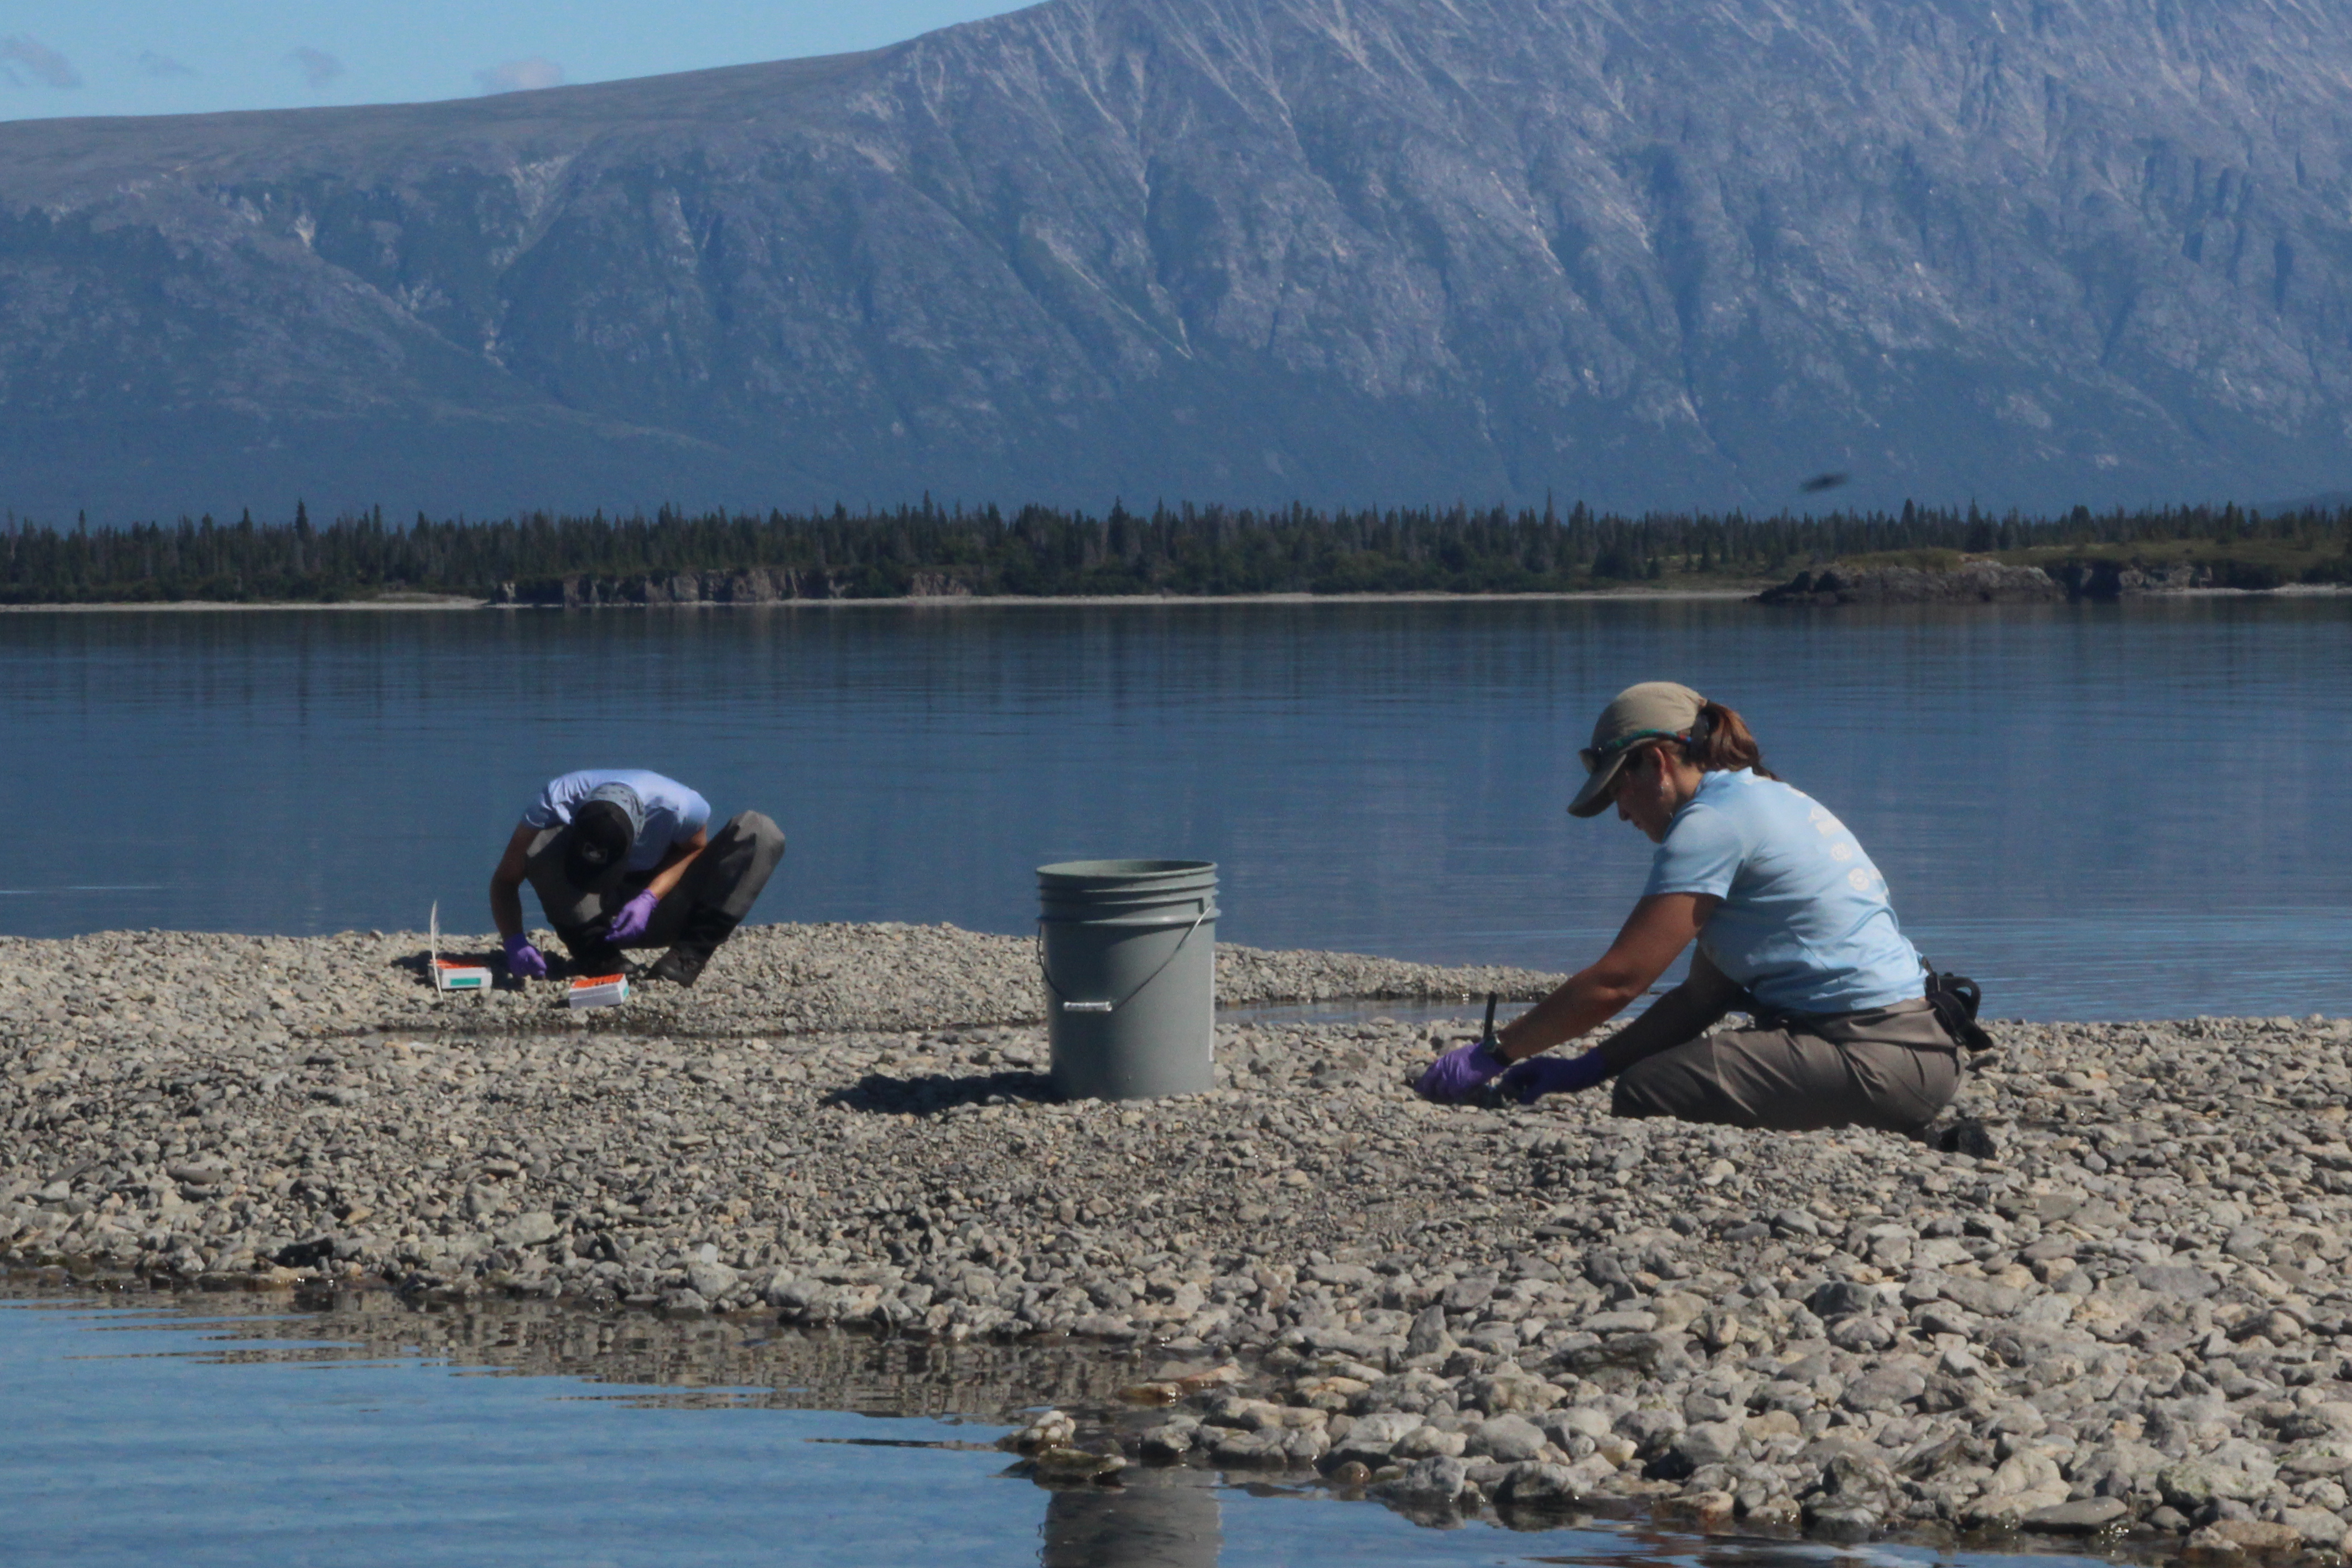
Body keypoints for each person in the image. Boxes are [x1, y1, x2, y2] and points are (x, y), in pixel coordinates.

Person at [1415, 682, 1962, 1131]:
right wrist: (1583, 1068)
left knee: (1651, 1089)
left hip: (1875, 1057)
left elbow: (1619, 980)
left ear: (1656, 762)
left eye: (1618, 791)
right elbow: (1702, 997)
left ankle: (1886, 1117)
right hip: (1923, 1048)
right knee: (1658, 1074)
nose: (1621, 814)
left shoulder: (1710, 825)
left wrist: (1494, 1054)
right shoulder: (1767, 797)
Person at [490, 769, 785, 987]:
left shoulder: (682, 807)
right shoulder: (554, 801)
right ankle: (598, 957)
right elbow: (504, 881)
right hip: (591, 914)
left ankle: (688, 956)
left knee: (760, 830)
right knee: (540, 840)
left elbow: (696, 849)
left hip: (660, 910)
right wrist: (514, 941)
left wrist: (650, 897)